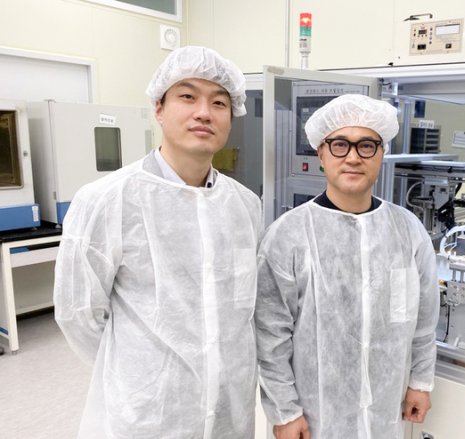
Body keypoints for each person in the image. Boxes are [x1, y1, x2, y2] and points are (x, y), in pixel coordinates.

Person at [54, 46, 262, 439]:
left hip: (231, 408)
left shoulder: (244, 205)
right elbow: (78, 313)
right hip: (148, 415)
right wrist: (139, 372)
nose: (204, 112)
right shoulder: (107, 200)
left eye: (219, 102)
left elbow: (244, 309)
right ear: (159, 108)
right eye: (188, 96)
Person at [255, 94, 440, 439]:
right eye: (340, 145)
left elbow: (423, 318)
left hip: (386, 412)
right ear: (321, 153)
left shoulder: (407, 230)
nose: (353, 157)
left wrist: (420, 381)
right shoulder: (288, 234)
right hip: (313, 419)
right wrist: (285, 411)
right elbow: (270, 335)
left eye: (366, 146)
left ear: (381, 153)